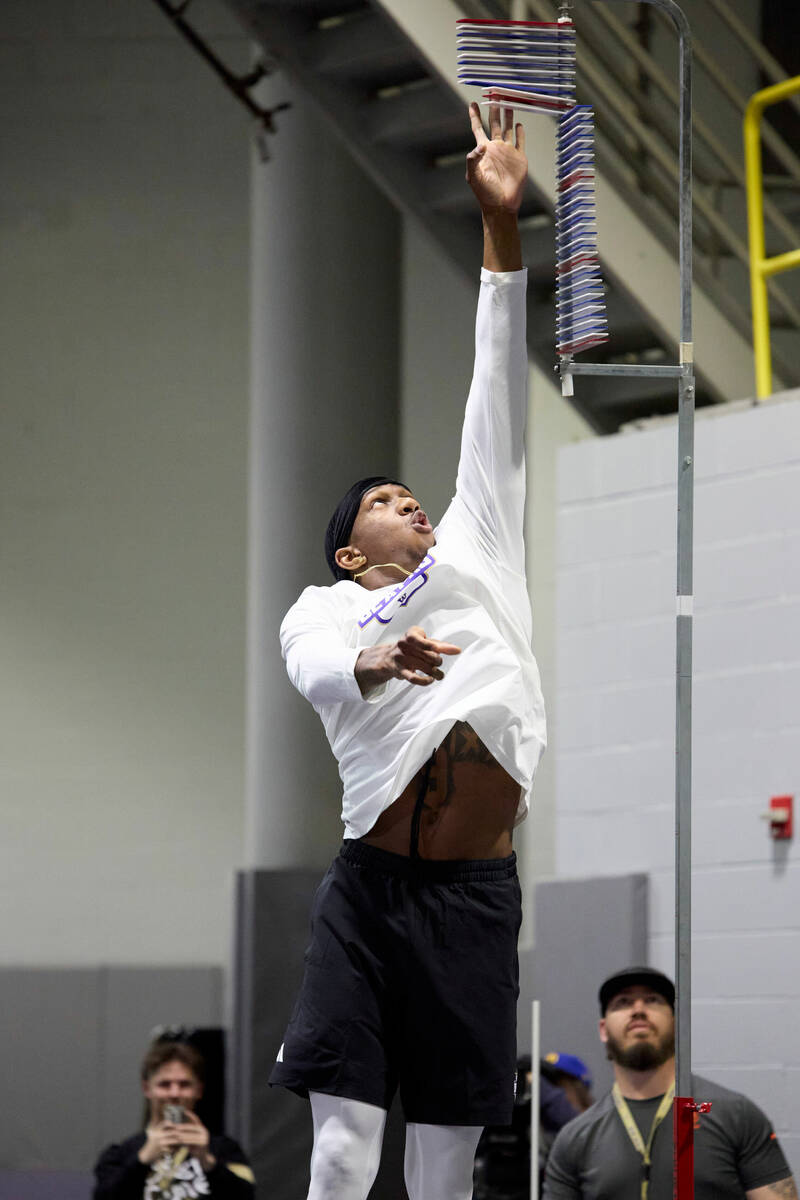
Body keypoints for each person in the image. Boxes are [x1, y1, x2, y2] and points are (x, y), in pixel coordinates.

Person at [269, 102, 546, 1200]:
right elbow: (311, 670)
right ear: (349, 551)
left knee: (441, 1161)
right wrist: (378, 663)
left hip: (475, 901)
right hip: (369, 893)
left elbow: (493, 388)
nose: (411, 501)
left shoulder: (479, 539)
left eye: (412, 492)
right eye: (386, 501)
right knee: (342, 1149)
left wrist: (501, 228)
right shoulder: (321, 611)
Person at [543, 966, 798, 1200]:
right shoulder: (575, 1138)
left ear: (676, 1023)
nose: (638, 1009)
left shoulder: (734, 1114)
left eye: (653, 1000)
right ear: (603, 1029)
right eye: (623, 1002)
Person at [93, 1040, 255, 1199]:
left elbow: (247, 1196)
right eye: (164, 1084)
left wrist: (207, 1161)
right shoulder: (121, 1154)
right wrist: (142, 1160)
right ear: (147, 1088)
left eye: (184, 1084)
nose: (174, 1093)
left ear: (198, 1090)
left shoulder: (225, 1150)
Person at [474, 1052, 593, 1199]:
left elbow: (576, 1129)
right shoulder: (530, 1119)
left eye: (554, 1084)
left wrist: (541, 1088)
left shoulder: (592, 1127)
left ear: (579, 1088)